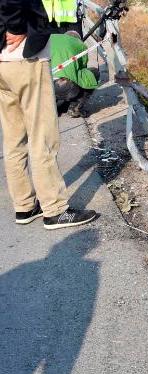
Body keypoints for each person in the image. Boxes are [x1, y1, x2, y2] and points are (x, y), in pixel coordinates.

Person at [0, 0, 97, 229]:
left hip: (3, 61)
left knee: (14, 139)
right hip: (26, 60)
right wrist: (16, 27)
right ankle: (54, 210)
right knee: (42, 136)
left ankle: (24, 206)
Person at [51, 31, 99, 117]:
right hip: (63, 85)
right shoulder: (80, 45)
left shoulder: (51, 38)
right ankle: (75, 108)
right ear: (78, 39)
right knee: (91, 74)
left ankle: (51, 108)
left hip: (43, 85)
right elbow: (82, 68)